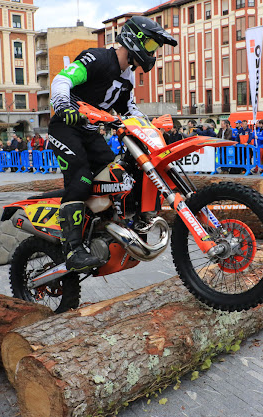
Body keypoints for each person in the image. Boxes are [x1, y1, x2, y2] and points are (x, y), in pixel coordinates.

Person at [48, 15, 176, 272]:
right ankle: (73, 250)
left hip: (91, 133)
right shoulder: (97, 58)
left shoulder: (126, 78)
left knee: (118, 177)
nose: (153, 53)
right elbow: (61, 80)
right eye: (151, 46)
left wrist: (155, 132)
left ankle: (109, 230)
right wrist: (63, 105)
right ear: (134, 39)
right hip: (66, 127)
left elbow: (130, 112)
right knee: (82, 178)